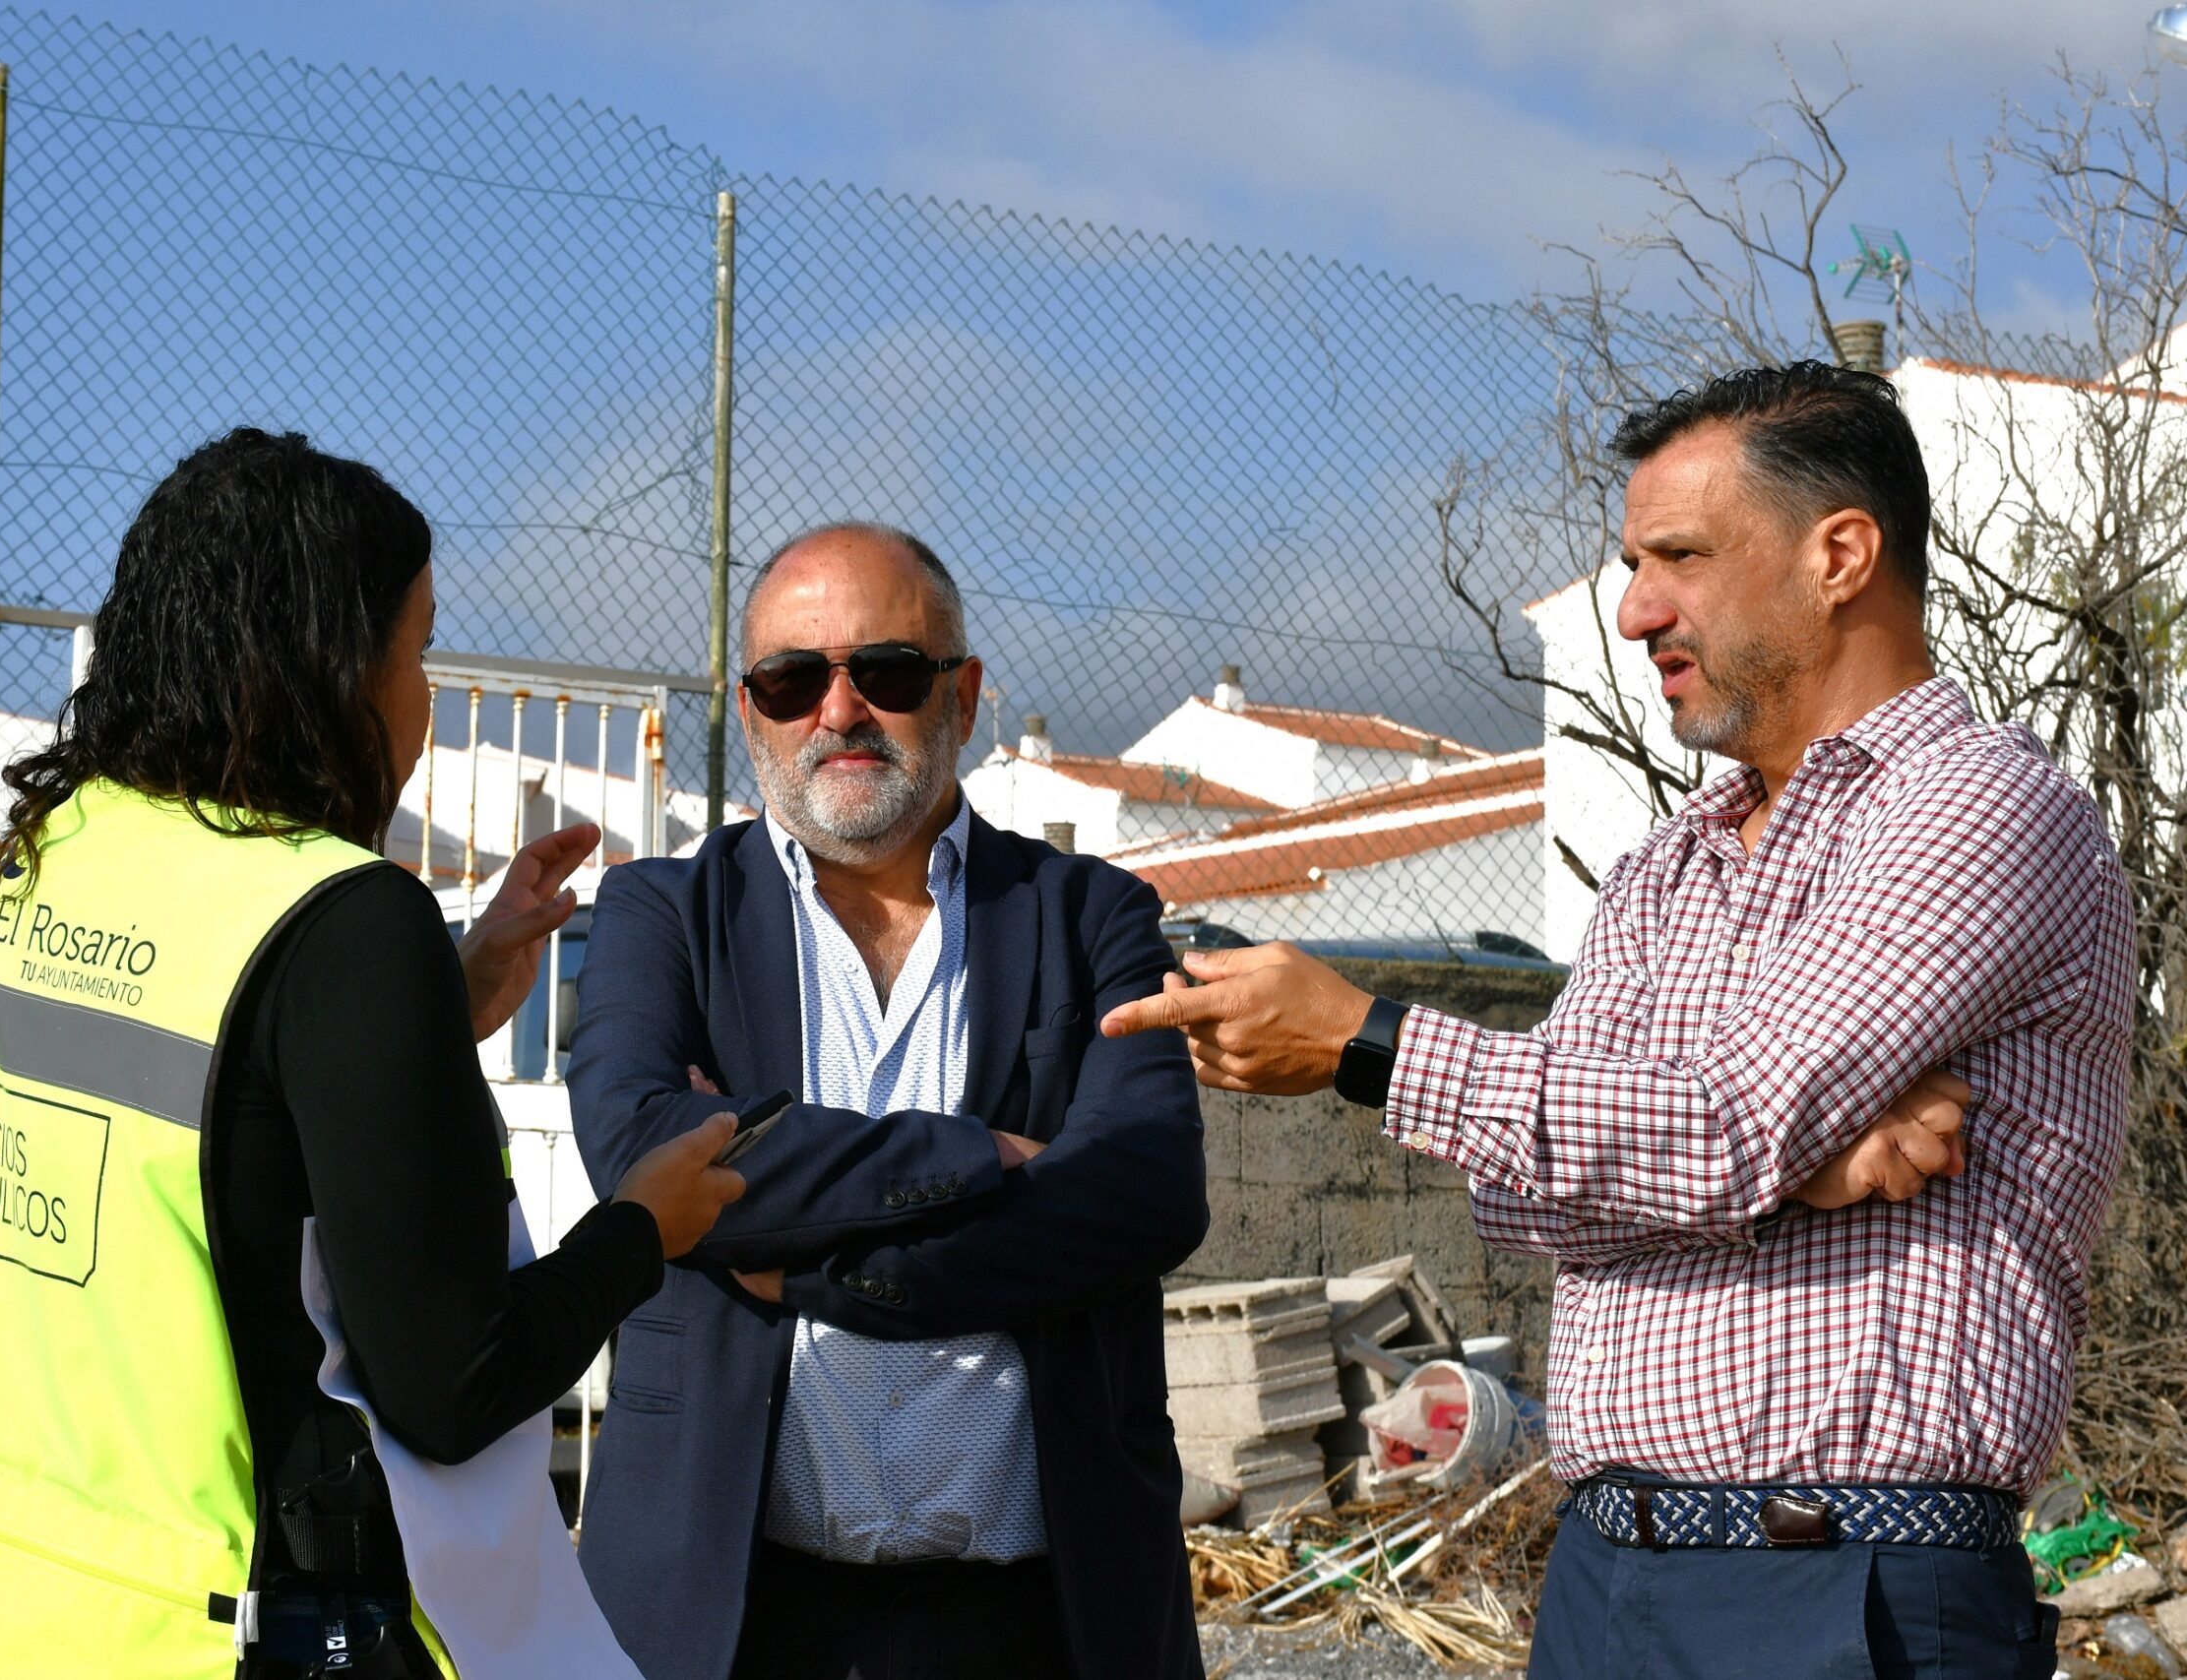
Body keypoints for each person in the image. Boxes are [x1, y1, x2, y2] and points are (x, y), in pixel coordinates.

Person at [1100, 364, 2132, 1679]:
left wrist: (1371, 1042)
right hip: (1604, 1582)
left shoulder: (1979, 810)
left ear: (1840, 556)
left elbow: (1721, 1121)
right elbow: (1523, 1201)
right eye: (1635, 564)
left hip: (1847, 1584)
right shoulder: (1666, 867)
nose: (1637, 609)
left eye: (1680, 557)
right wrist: (1798, 1165)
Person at [0, 429, 744, 1680]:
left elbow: (213, 1124)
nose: (423, 698)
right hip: (184, 1634)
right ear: (333, 667)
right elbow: (453, 1384)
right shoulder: (348, 920)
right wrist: (643, 1228)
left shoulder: (60, 849)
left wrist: (438, 1008)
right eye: (418, 653)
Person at [567, 524, 1211, 1680]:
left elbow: (1145, 1191)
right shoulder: (660, 914)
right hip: (724, 1619)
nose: (839, 709)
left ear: (961, 695)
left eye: (889, 671)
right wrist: (979, 1158)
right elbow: (638, 1148)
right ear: (749, 709)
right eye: (791, 678)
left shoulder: (1092, 917)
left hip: (1042, 1623)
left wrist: (821, 1268)